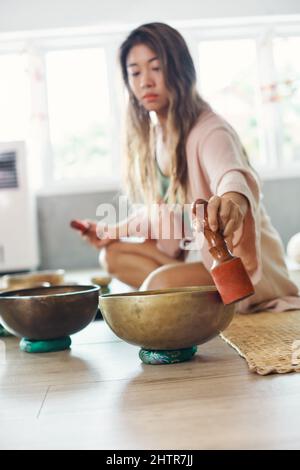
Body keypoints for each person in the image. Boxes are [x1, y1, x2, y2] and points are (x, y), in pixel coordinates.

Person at [76, 22, 300, 313]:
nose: (145, 81)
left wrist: (233, 202)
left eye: (156, 68)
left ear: (180, 69)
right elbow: (166, 214)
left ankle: (210, 296)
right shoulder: (157, 137)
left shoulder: (210, 129)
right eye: (135, 72)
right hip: (198, 257)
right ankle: (197, 297)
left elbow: (231, 175)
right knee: (112, 255)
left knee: (157, 287)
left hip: (241, 267)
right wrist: (112, 230)